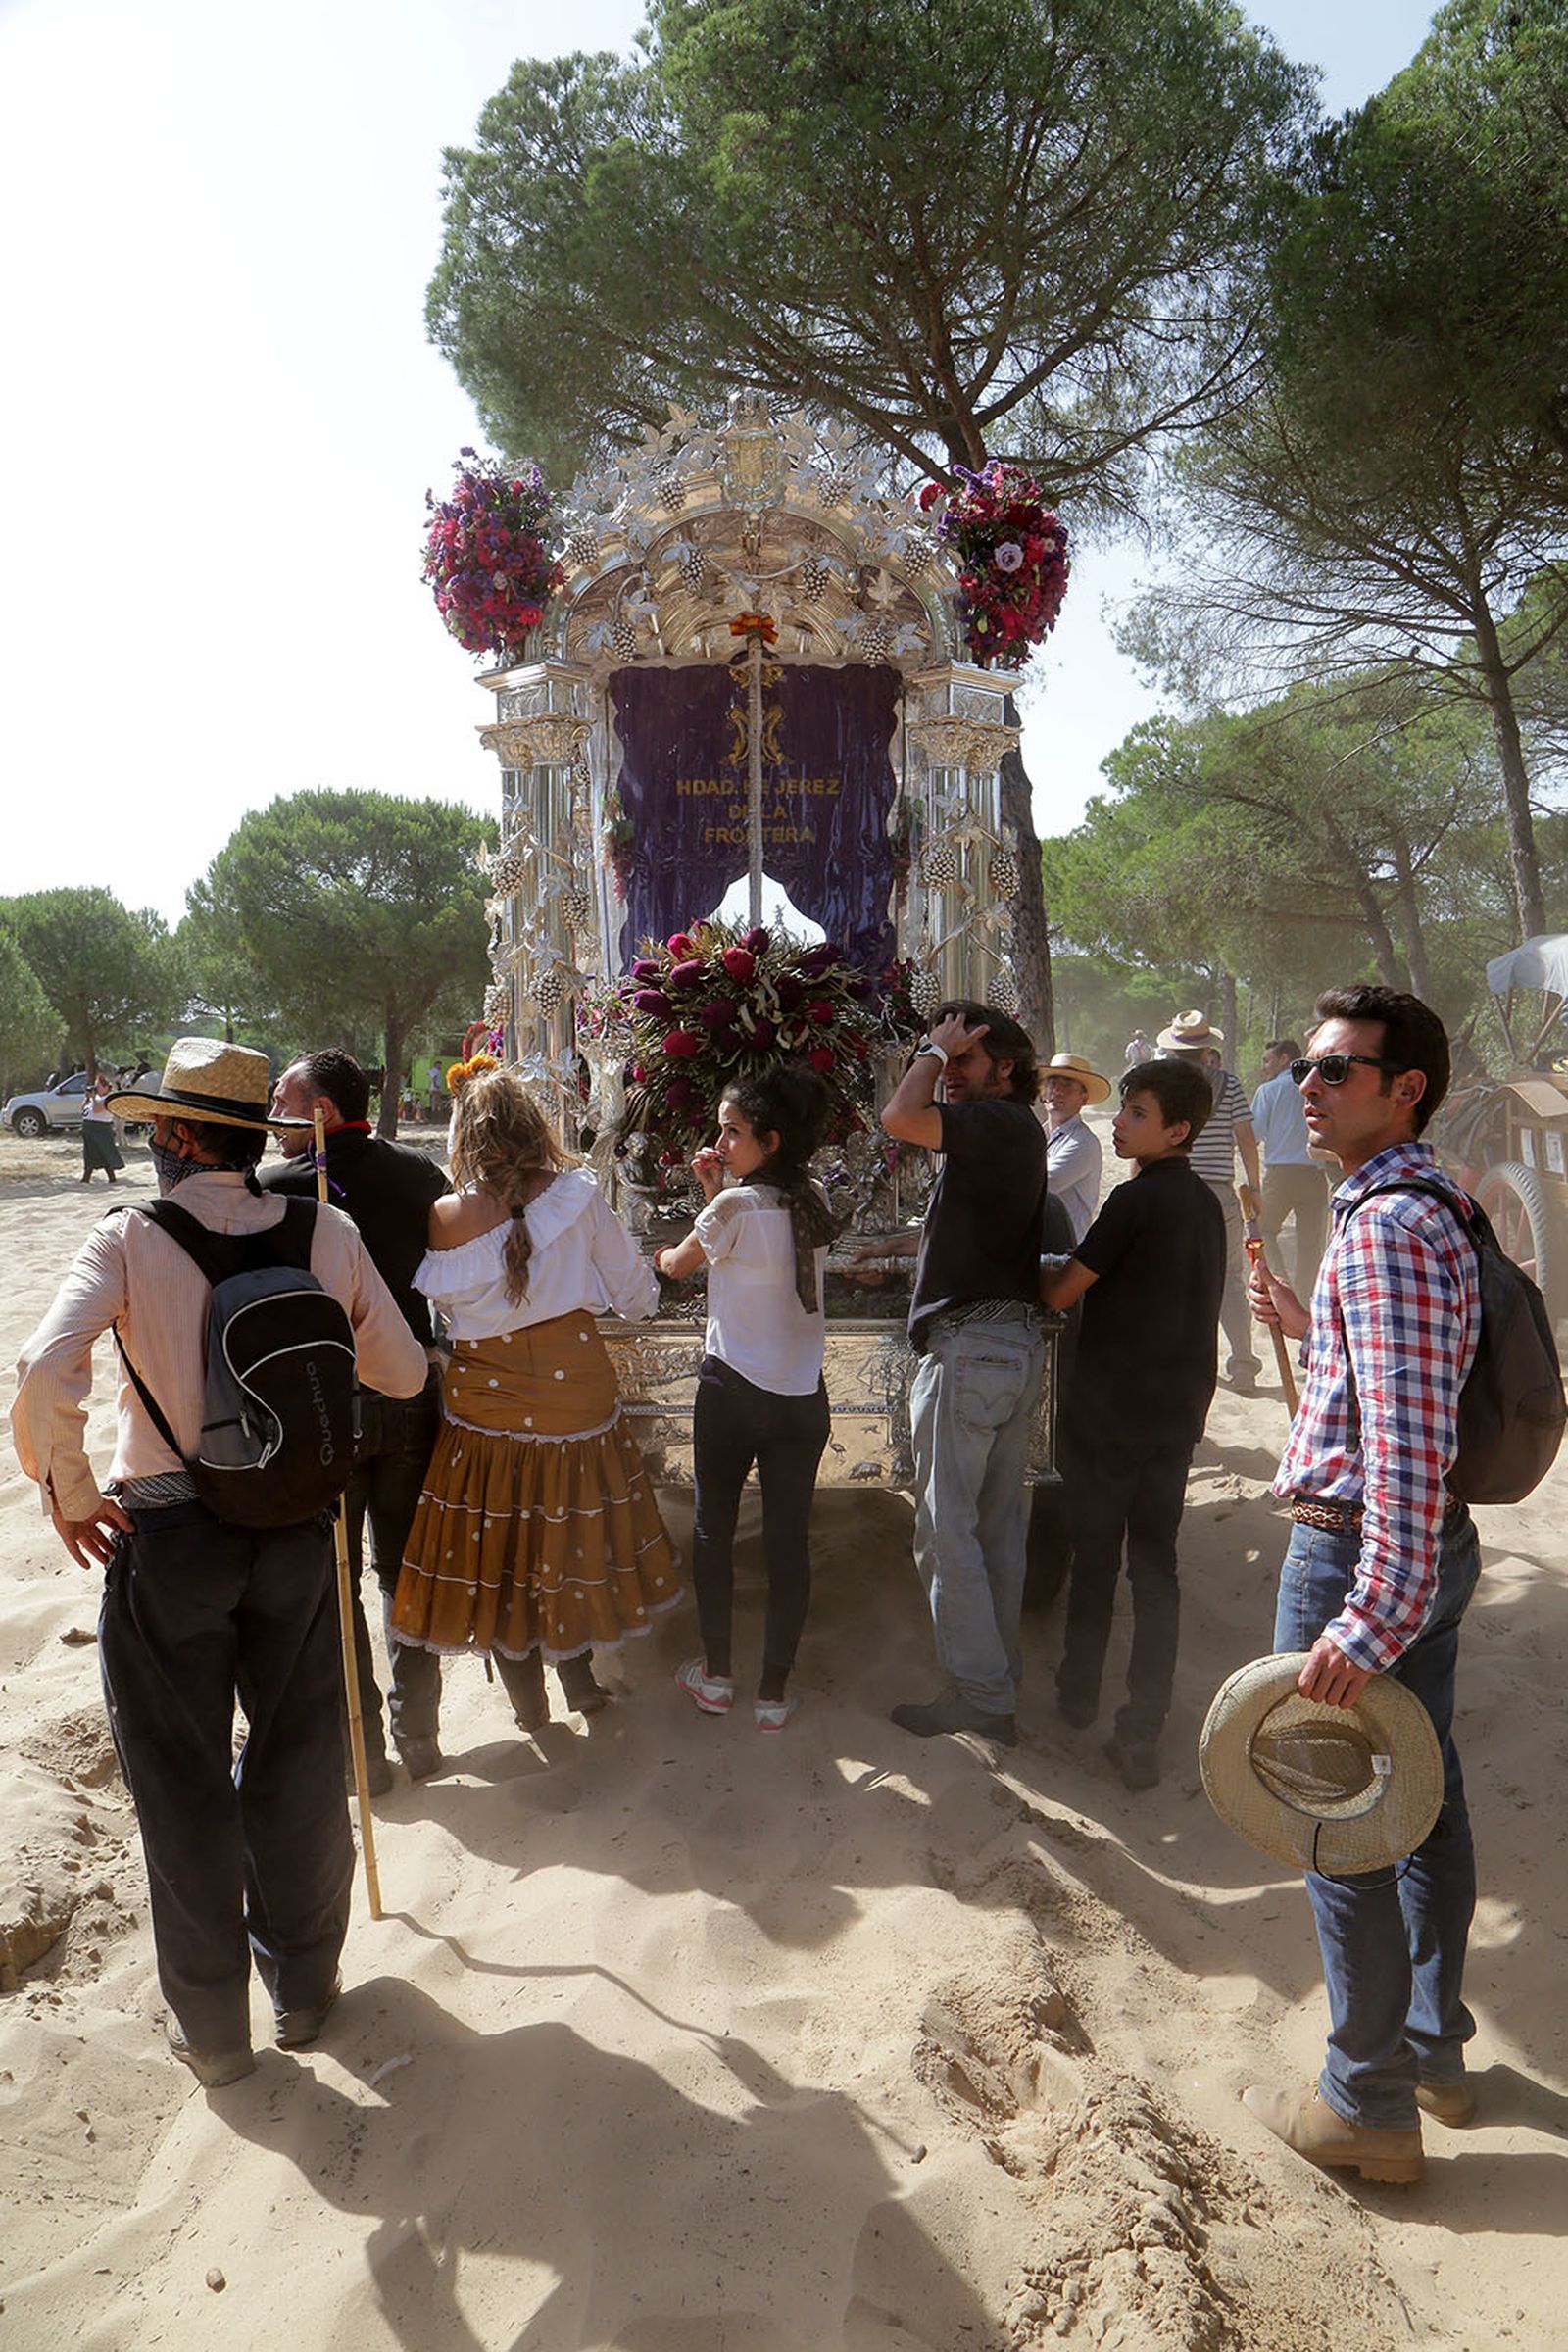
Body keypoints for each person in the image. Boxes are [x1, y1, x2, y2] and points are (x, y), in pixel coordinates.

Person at [10, 1038, 428, 2089]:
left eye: (158, 1127)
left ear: (184, 1137)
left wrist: (69, 1492)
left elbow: (43, 1368)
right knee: (296, 1763)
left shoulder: (127, 1238)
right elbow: (404, 1369)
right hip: (294, 1531)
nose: (149, 1141)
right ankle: (304, 1989)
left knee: (181, 1785)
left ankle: (214, 2034)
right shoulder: (322, 1227)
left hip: (167, 1538)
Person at [1242, 986, 1483, 2186]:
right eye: (1308, 1071)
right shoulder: (1425, 1204)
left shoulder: (1386, 1223)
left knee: (1340, 1828)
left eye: (1338, 1071)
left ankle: (1367, 2107)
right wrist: (1310, 1321)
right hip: (1421, 1547)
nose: (1309, 1087)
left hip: (1364, 1553)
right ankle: (1431, 2050)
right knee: (1426, 1800)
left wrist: (1369, 1609)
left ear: (1407, 1090)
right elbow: (1394, 1384)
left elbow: (1404, 1434)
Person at [390, 1062, 680, 1731]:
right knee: (567, 1537)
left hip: (481, 1409)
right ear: (533, 1128)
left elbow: (450, 1316)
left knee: (501, 1549)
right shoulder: (579, 1196)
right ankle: (581, 1683)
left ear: (465, 1136)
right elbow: (637, 1301)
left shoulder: (443, 1217)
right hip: (575, 1395)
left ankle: (529, 1707)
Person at [263, 1049, 451, 1788]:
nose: (275, 1120)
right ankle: (418, 1738)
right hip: (405, 1390)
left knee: (341, 1584)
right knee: (405, 1573)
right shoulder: (417, 1173)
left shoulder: (276, 1189)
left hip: (328, 1406)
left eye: (285, 1102)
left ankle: (367, 1753)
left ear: (322, 1113)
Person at [1040, 1058, 1225, 1788]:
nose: (1118, 1122)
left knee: (1094, 1557)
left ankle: (1076, 1695)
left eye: (1136, 1114)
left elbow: (1062, 1294)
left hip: (1111, 1413)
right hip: (1175, 1416)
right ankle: (1143, 1727)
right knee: (1156, 1570)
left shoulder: (1133, 1203)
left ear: (1177, 1130)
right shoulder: (1205, 1205)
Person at [874, 1002, 1049, 1745]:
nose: (951, 1073)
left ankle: (979, 1693)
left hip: (972, 1348)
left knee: (947, 1531)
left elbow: (898, 1118)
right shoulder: (1005, 1136)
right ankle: (996, 1680)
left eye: (967, 1060)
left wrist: (930, 1052)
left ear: (1004, 1070)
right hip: (1004, 1344)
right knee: (994, 1528)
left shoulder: (998, 1122)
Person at [654, 1063, 836, 1731]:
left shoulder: (732, 1207)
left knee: (714, 1528)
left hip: (732, 1388)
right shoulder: (811, 1198)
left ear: (772, 1140)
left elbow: (676, 1266)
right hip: (799, 1395)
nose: (720, 1142)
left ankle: (718, 1673)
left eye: (733, 1132)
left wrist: (698, 1211)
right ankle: (774, 1692)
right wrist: (718, 1188)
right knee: (789, 1540)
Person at [1156, 1011, 1261, 1393]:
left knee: (1173, 1278)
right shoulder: (1228, 1085)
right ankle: (1244, 1364)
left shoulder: (1160, 1087)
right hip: (1218, 1191)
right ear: (1206, 1050)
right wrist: (1255, 1185)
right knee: (1231, 1279)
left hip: (1170, 1187)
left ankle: (1176, 1362)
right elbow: (1246, 1140)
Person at [1251, 1037, 1331, 1297]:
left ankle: (1279, 1286)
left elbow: (1254, 1133)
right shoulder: (1320, 1088)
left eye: (1267, 1060)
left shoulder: (1269, 1090)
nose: (1264, 1067)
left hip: (1281, 1174)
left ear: (1284, 1059)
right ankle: (1304, 1298)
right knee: (1310, 1244)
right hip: (1314, 1173)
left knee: (1263, 1231)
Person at [1040, 1052, 1107, 1246]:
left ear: (1083, 1098)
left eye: (1068, 1084)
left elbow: (1044, 1183)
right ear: (1044, 1092)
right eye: (1052, 1082)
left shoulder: (1083, 1142)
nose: (1057, 1090)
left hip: (1065, 1249)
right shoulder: (1039, 1135)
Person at [79, 1071, 125, 1186]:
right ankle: (87, 1177)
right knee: (90, 1153)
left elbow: (97, 1110)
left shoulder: (108, 1098)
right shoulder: (97, 1097)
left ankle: (109, 1177)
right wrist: (88, 1098)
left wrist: (94, 1098)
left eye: (98, 1086)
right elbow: (83, 1111)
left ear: (105, 1087)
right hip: (90, 1129)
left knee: (104, 1152)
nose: (96, 1088)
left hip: (101, 1129)